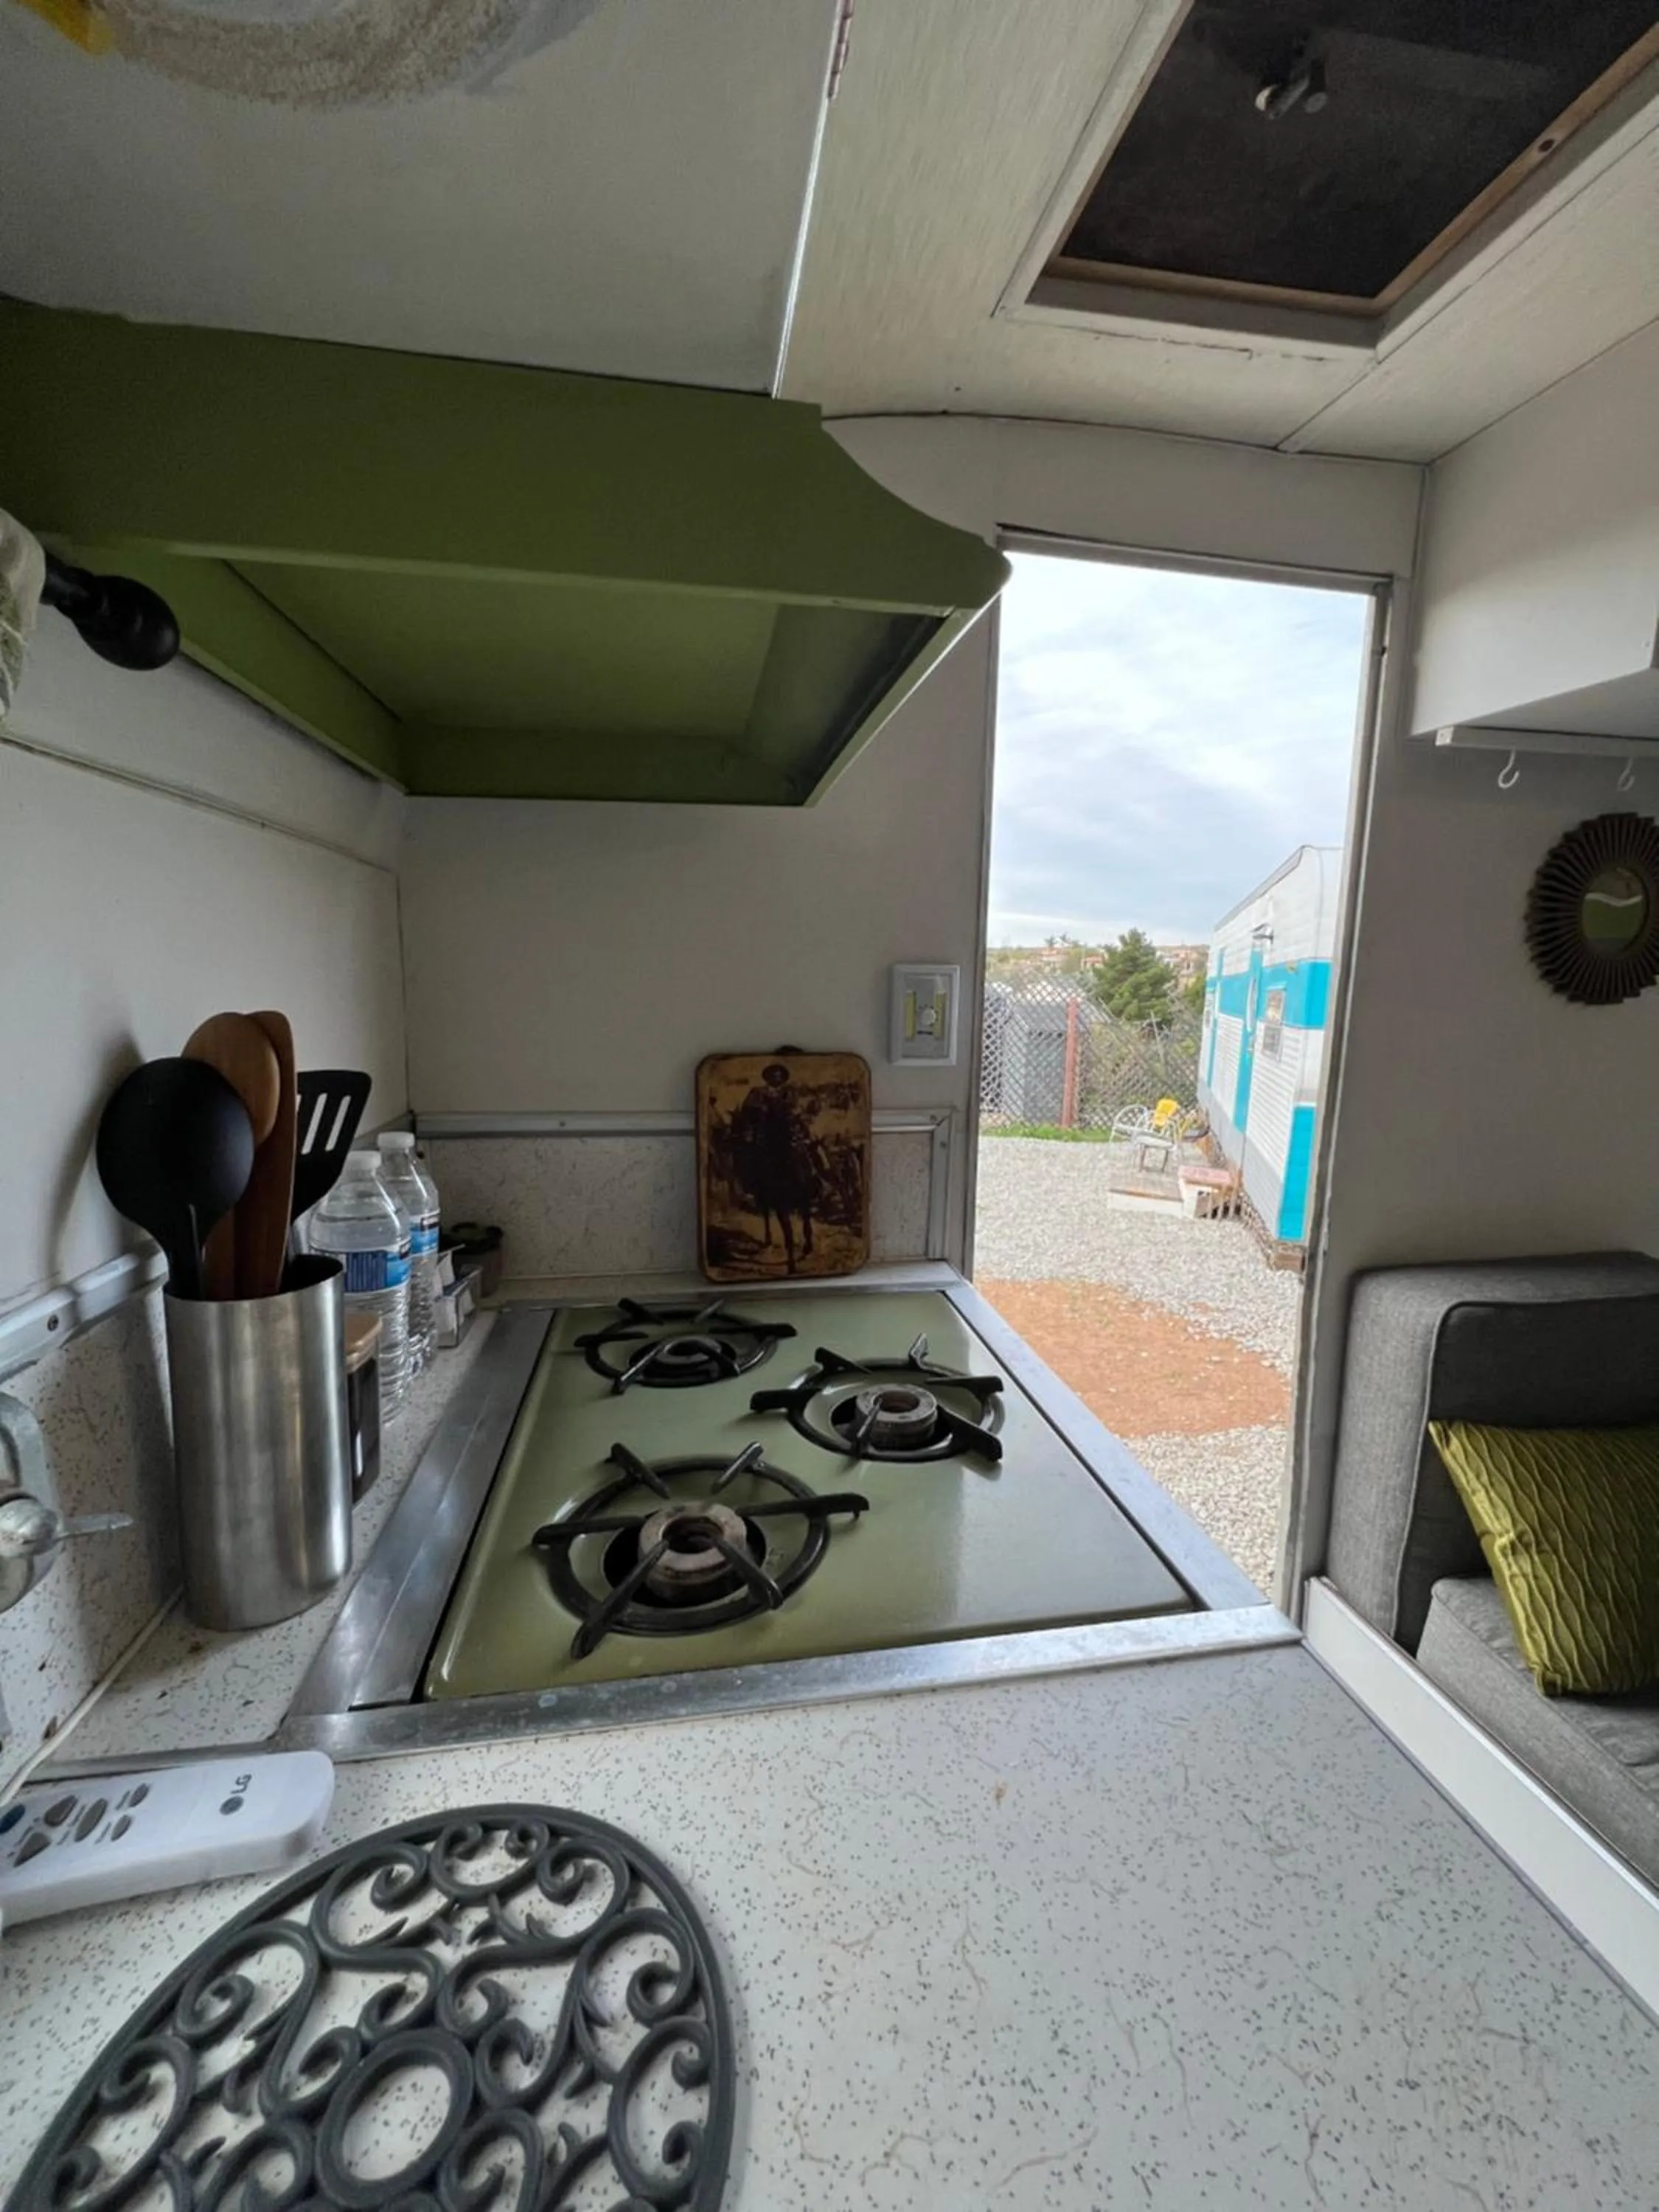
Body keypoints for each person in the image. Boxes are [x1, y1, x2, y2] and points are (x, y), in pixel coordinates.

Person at [728, 1061, 818, 1272]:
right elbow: (749, 1112)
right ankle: (755, 1189)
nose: (776, 1078)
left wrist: (782, 1112)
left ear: (783, 1078)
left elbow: (794, 1110)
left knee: (808, 1153)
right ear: (767, 1076)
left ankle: (816, 1181)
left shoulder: (790, 1092)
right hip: (766, 1137)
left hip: (789, 1135)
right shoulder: (757, 1092)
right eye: (772, 1074)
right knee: (752, 1161)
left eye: (779, 1075)